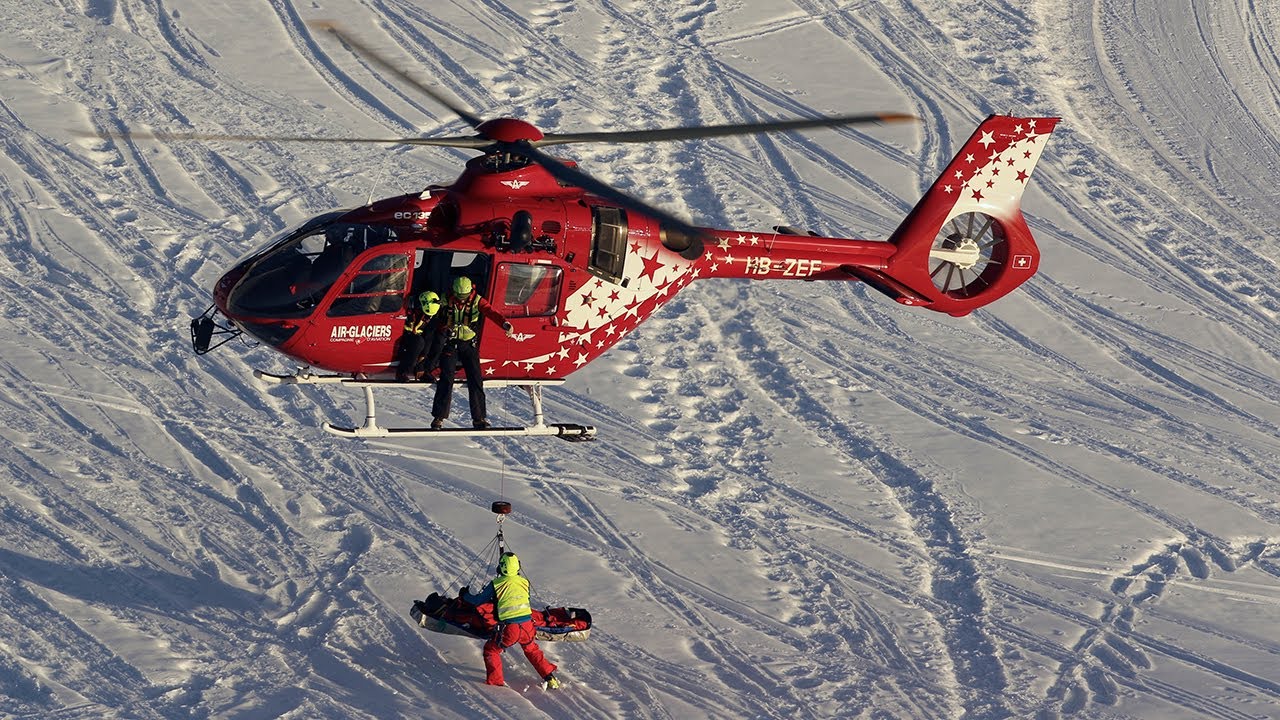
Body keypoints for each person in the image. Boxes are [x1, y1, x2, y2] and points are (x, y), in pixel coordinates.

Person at [461, 552, 560, 688]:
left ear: (500, 567)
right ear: (518, 566)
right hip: (528, 626)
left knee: (491, 650)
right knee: (532, 650)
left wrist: (465, 595)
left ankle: (496, 683)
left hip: (510, 629)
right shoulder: (525, 582)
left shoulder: (496, 584)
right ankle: (550, 678)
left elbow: (477, 601)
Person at [431, 275, 513, 429]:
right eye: (458, 296)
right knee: (446, 378)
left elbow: (490, 311)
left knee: (475, 379)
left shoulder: (477, 300)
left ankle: (479, 418)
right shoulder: (444, 298)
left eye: (464, 297)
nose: (461, 300)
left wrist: (504, 323)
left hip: (469, 344)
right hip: (450, 343)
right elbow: (431, 302)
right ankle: (439, 417)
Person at [396, 290, 444, 382]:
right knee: (418, 342)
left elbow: (429, 336)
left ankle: (425, 370)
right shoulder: (406, 307)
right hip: (403, 336)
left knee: (438, 340)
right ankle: (403, 371)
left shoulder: (430, 315)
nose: (427, 317)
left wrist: (422, 358)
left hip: (418, 337)